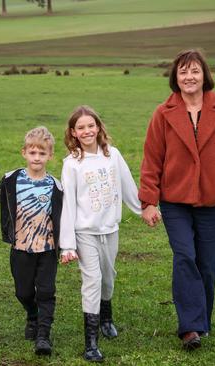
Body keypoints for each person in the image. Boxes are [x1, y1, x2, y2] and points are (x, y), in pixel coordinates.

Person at [139, 49, 215, 350]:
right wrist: (149, 201)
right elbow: (152, 160)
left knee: (208, 264)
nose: (189, 77)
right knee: (185, 257)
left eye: (195, 71)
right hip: (175, 201)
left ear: (205, 75)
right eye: (183, 72)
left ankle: (202, 321)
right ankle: (190, 328)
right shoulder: (163, 114)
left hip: (212, 202)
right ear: (176, 77)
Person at [59, 106, 141, 362]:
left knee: (108, 278)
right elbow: (68, 204)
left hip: (110, 229)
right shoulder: (72, 163)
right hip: (85, 232)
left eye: (90, 126)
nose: (87, 131)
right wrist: (68, 245)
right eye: (81, 127)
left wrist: (145, 209)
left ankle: (106, 316)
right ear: (73, 132)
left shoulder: (112, 155)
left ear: (98, 127)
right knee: (92, 280)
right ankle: (91, 343)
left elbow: (128, 186)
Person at [0, 126, 62, 356]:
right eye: (33, 153)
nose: (37, 158)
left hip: (47, 248)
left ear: (50, 156)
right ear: (24, 152)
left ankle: (43, 335)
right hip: (21, 248)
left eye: (42, 154)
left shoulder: (56, 185)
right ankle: (32, 315)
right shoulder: (12, 179)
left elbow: (67, 213)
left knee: (46, 290)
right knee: (23, 292)